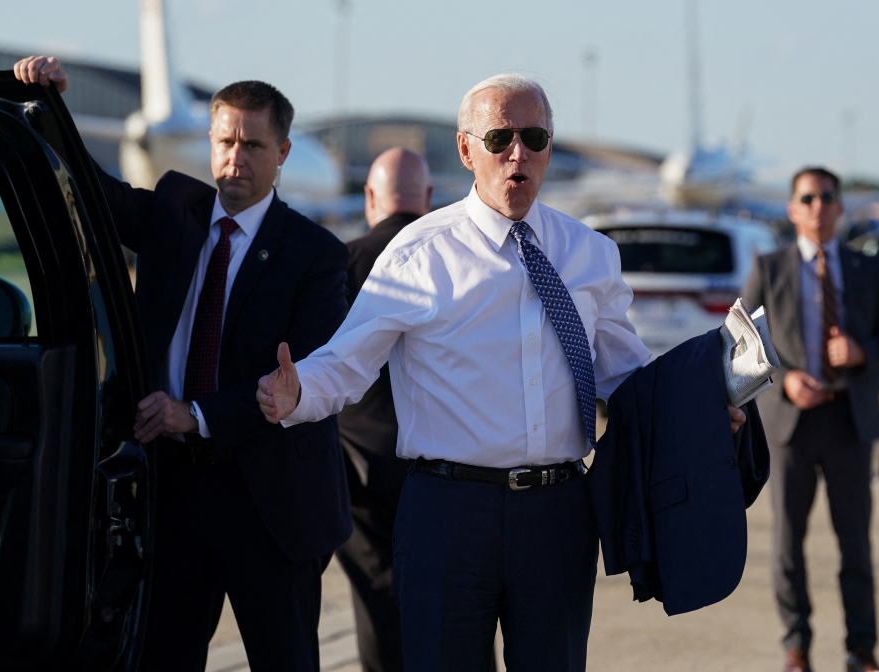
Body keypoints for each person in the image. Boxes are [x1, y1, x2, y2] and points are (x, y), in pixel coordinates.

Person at [257, 73, 746, 672]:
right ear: (467, 151)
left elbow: (627, 378)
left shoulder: (590, 253)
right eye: (500, 138)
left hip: (559, 513)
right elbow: (348, 363)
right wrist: (296, 390)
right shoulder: (417, 254)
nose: (519, 153)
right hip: (447, 514)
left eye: (534, 137)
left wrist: (699, 412)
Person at [14, 56, 352, 672]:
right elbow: (89, 195)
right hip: (173, 492)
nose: (235, 158)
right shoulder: (176, 211)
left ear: (282, 153)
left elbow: (298, 380)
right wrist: (48, 107)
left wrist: (192, 413)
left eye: (253, 144)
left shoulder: (317, 256)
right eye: (226, 140)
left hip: (269, 502)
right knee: (162, 657)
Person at [742, 167, 879, 672]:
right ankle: (797, 649)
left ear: (840, 207)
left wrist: (862, 351)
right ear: (792, 210)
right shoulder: (769, 267)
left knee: (854, 541)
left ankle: (861, 650)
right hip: (790, 424)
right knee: (789, 542)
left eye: (827, 197)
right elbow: (742, 339)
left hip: (849, 422)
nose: (818, 206)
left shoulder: (865, 269)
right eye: (807, 198)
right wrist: (786, 378)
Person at [336, 147, 432, 672]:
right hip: (443, 470)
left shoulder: (342, 262)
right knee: (458, 608)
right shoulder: (450, 263)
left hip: (361, 473)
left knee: (378, 604)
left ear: (371, 197)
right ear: (429, 199)